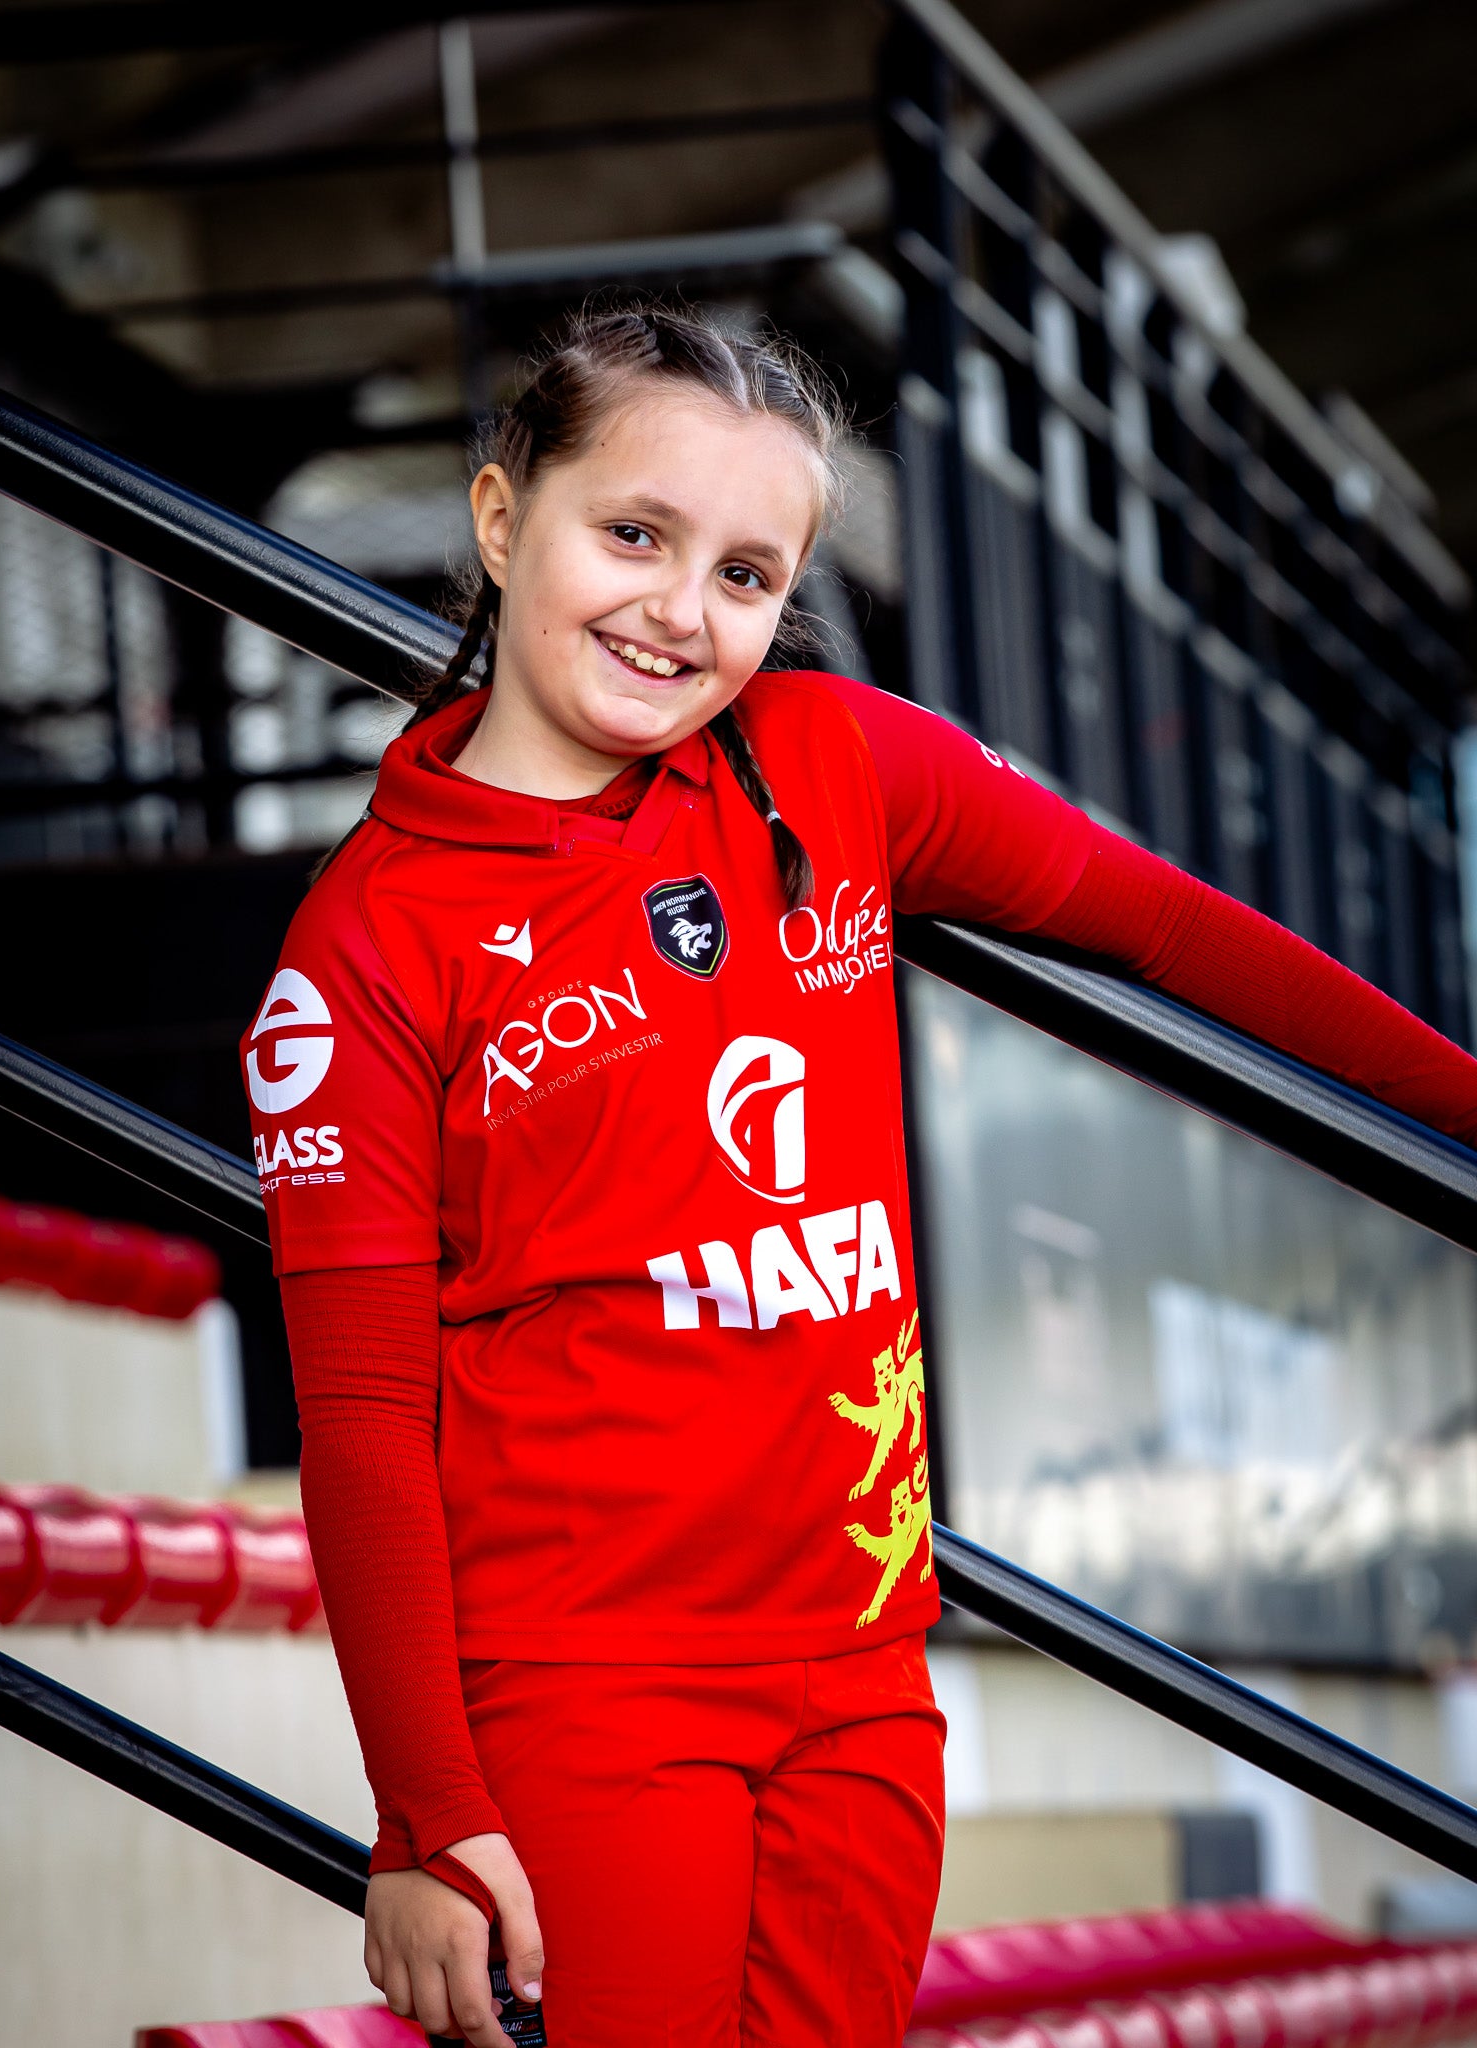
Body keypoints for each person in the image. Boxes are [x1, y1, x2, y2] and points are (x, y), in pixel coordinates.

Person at [243, 304, 1477, 2048]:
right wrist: (427, 1812)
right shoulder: (362, 949)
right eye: (635, 534)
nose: (684, 610)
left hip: (863, 1673)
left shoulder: (830, 765)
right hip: (595, 1691)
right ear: (505, 520)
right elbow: (362, 1416)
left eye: (748, 574)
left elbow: (1174, 928)